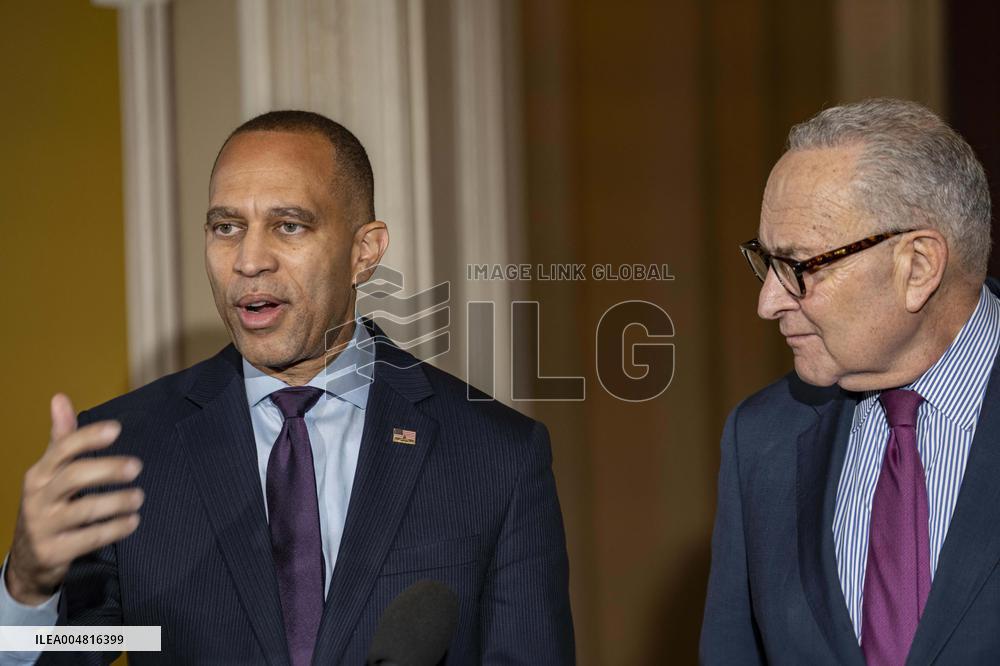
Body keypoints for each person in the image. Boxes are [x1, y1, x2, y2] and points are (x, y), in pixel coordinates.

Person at [0, 111, 575, 664]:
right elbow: (85, 649)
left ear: (364, 252)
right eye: (226, 227)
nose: (249, 261)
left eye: (289, 225)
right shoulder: (122, 452)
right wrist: (25, 589)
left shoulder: (498, 456)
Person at [701, 98, 1000, 665]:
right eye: (766, 262)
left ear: (917, 266)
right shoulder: (762, 438)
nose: (768, 302)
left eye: (800, 266)